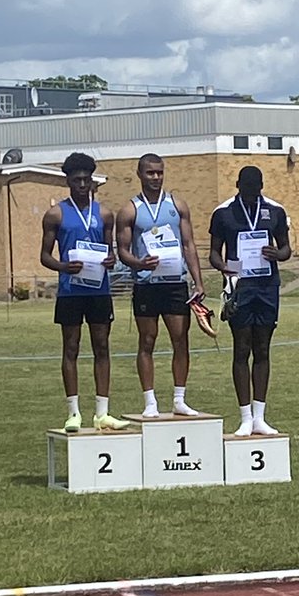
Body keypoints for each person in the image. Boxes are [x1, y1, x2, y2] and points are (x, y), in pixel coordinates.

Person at [40, 152, 129, 432]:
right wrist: (64, 266)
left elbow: (110, 253)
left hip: (99, 290)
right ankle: (73, 412)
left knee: (102, 346)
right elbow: (44, 256)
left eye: (86, 179)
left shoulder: (104, 214)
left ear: (92, 181)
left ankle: (102, 412)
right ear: (67, 181)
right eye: (76, 179)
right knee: (71, 348)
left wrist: (111, 261)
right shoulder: (56, 214)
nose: (81, 184)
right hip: (70, 291)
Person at [116, 153, 207, 417]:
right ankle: (150, 402)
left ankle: (180, 399)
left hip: (175, 283)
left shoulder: (177, 205)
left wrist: (198, 281)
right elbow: (122, 250)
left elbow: (188, 245)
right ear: (139, 174)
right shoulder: (129, 210)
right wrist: (138, 263)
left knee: (181, 339)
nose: (155, 177)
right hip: (146, 284)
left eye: (159, 172)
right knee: (147, 340)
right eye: (150, 173)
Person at [209, 165, 291, 437]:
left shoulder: (276, 211)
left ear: (262, 187)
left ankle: (260, 417)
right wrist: (224, 268)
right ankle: (245, 417)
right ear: (237, 185)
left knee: (263, 349)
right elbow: (213, 253)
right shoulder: (223, 213)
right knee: (241, 349)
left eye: (256, 189)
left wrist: (277, 254)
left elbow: (286, 248)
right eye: (247, 189)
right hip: (238, 287)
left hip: (267, 287)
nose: (252, 194)